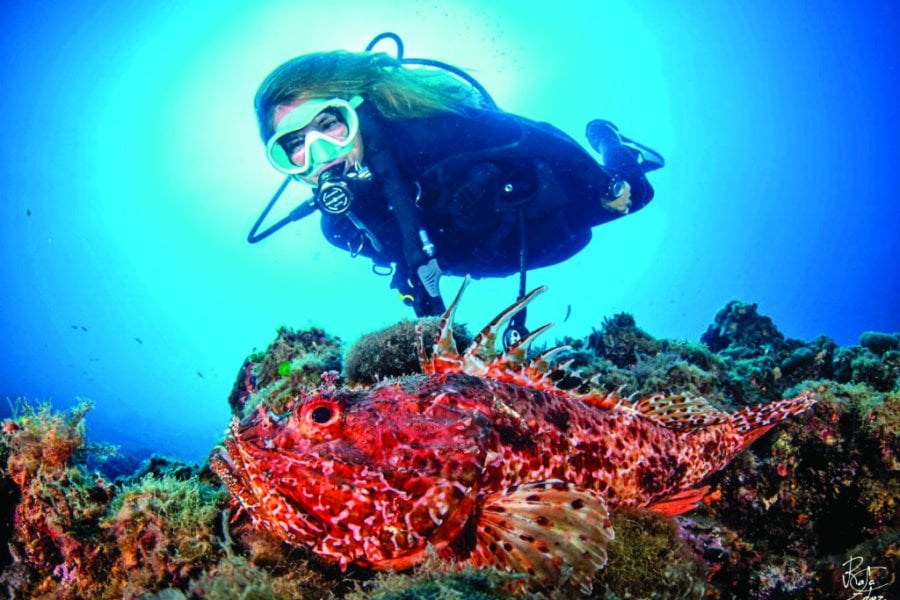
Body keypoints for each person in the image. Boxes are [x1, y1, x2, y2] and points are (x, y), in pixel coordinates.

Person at [253, 48, 664, 327]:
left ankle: (610, 140)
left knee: (636, 196)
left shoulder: (433, 130)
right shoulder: (340, 228)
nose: (321, 153)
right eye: (294, 147)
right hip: (490, 257)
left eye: (328, 125)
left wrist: (600, 182)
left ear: (355, 111)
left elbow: (534, 135)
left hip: (536, 211)